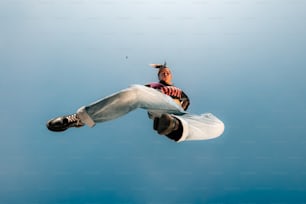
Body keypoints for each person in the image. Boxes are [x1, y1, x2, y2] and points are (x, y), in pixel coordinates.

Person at [46, 63, 224, 142]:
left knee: (218, 126)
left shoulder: (182, 93)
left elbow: (184, 106)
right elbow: (140, 96)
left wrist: (178, 113)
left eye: (168, 72)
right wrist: (157, 67)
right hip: (158, 106)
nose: (165, 74)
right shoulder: (153, 85)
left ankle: (175, 127)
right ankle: (79, 118)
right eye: (162, 72)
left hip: (179, 114)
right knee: (136, 91)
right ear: (159, 75)